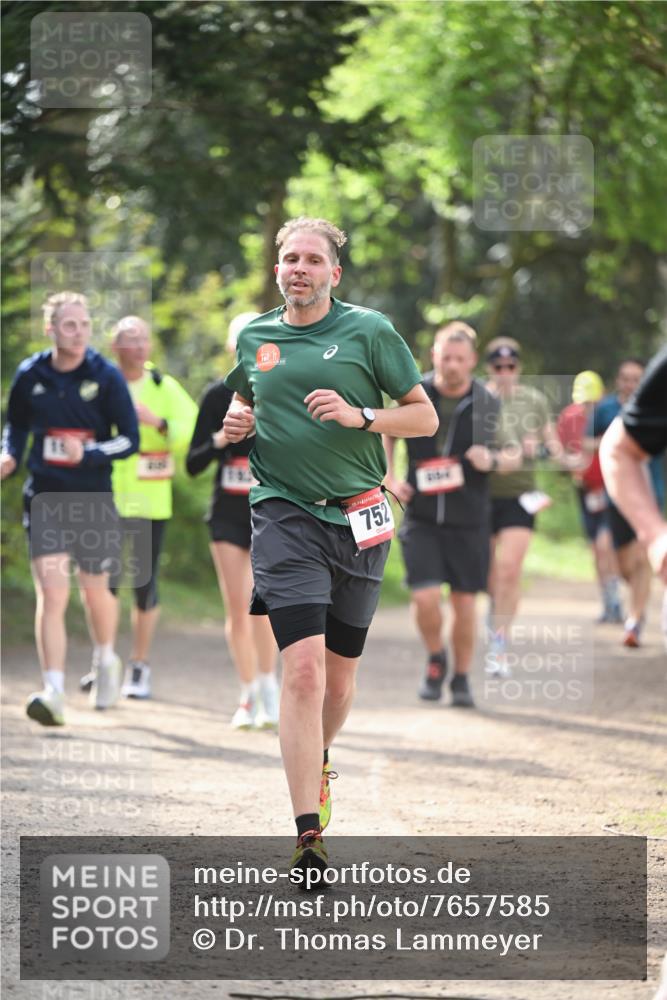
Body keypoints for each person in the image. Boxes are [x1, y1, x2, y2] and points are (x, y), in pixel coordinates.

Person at [222, 216, 437, 874]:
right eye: (289, 258)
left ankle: (316, 756)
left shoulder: (368, 331)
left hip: (360, 520)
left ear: (332, 273)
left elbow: (423, 415)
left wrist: (360, 416)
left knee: (340, 681)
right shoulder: (257, 338)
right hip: (283, 516)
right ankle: (306, 834)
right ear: (277, 269)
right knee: (305, 670)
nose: (298, 268)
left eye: (312, 259)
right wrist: (237, 424)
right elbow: (243, 408)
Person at [0, 292, 139, 725]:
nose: (77, 332)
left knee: (94, 592)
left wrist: (91, 452)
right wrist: (9, 454)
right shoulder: (31, 373)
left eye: (83, 324)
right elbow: (16, 424)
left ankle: (105, 659)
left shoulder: (106, 375)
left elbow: (129, 438)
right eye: (68, 325)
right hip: (44, 496)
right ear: (51, 329)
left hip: (93, 498)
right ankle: (54, 690)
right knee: (52, 592)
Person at [384, 322, 519, 708]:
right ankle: (435, 658)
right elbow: (387, 431)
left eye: (460, 359)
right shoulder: (415, 393)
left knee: (463, 605)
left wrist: (491, 458)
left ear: (473, 360)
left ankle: (461, 678)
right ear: (434, 355)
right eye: (446, 357)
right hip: (422, 516)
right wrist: (390, 476)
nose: (453, 365)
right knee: (425, 597)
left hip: (469, 519)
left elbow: (513, 454)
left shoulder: (488, 402)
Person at [79, 316, 198, 699]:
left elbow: (190, 431)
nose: (141, 346)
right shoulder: (100, 384)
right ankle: (104, 661)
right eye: (131, 339)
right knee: (105, 583)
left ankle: (139, 666)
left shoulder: (164, 386)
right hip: (106, 494)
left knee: (144, 585)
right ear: (115, 347)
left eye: (145, 338)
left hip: (150, 501)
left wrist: (159, 423)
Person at [186, 312, 280, 730]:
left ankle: (269, 687)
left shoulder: (279, 392)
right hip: (226, 514)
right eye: (238, 340)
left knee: (265, 607)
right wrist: (222, 439)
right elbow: (192, 463)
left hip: (270, 512)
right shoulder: (214, 395)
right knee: (238, 609)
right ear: (231, 348)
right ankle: (247, 694)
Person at [485, 337, 561, 676]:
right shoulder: (477, 399)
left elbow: (554, 446)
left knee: (509, 570)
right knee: (489, 575)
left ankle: (499, 643)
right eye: (498, 367)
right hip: (482, 497)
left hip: (520, 496)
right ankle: (494, 618)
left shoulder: (535, 401)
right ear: (489, 368)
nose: (504, 372)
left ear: (519, 368)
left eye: (510, 367)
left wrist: (549, 452)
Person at [586, 358, 665, 647]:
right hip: (616, 491)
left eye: (636, 378)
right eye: (626, 378)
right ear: (619, 380)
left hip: (652, 490)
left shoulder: (657, 402)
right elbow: (586, 443)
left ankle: (635, 618)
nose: (631, 384)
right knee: (615, 559)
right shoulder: (606, 409)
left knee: (643, 556)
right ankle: (638, 597)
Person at [556, 370, 623, 623]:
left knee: (607, 545)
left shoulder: (610, 413)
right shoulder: (569, 417)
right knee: (597, 550)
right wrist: (570, 462)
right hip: (585, 489)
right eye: (584, 403)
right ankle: (607, 602)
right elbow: (560, 451)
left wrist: (594, 444)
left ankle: (617, 600)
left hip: (611, 487)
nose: (587, 408)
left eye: (592, 402)